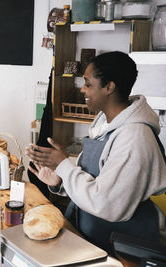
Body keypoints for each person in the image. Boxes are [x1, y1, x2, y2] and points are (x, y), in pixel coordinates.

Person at [26, 51, 166, 254]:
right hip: (97, 237)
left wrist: (65, 165)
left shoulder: (134, 137)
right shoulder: (104, 123)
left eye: (88, 83)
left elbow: (105, 203)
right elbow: (95, 182)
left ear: (109, 87)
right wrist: (61, 181)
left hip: (127, 248)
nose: (82, 89)